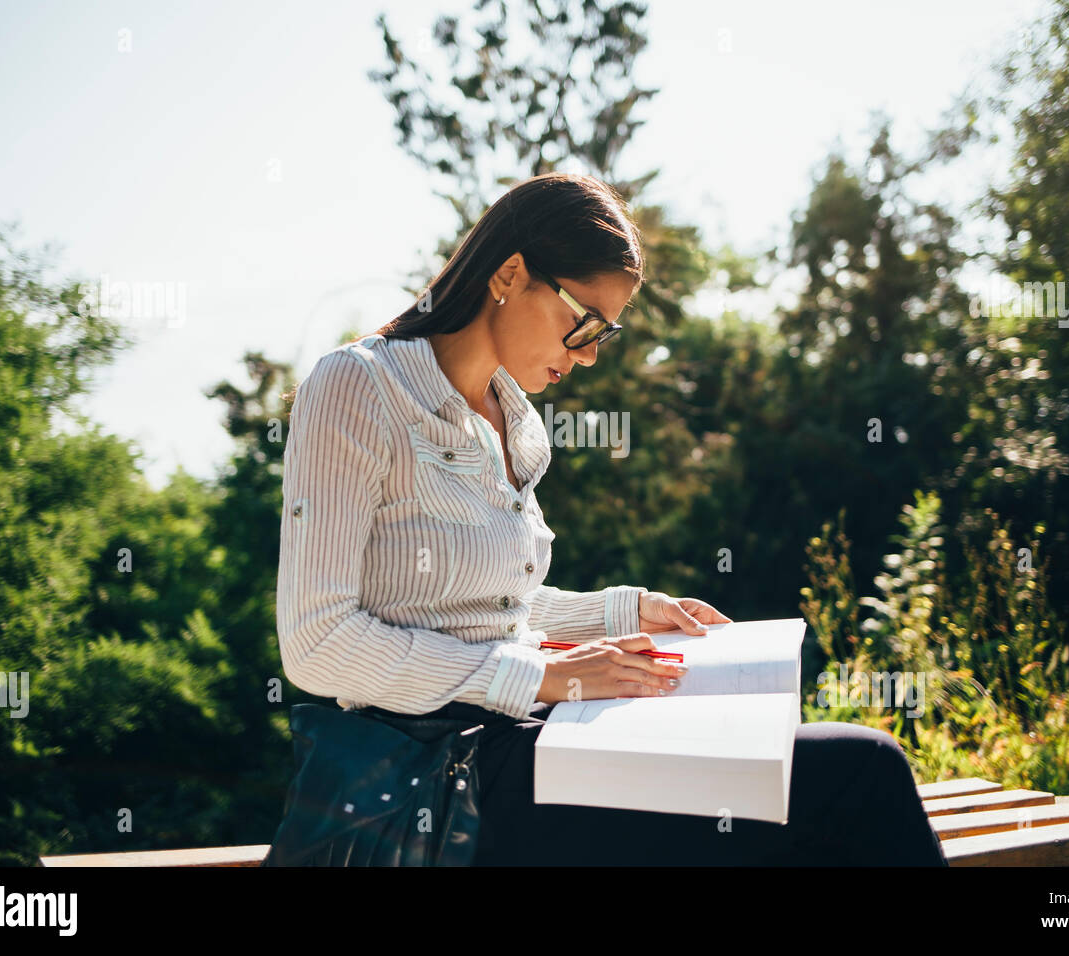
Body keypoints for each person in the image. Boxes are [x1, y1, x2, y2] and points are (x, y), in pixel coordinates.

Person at [275, 171, 948, 866]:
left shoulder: (512, 416)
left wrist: (625, 614)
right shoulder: (359, 385)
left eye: (608, 333)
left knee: (812, 775)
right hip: (440, 780)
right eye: (584, 322)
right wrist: (541, 679)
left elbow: (484, 610)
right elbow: (317, 642)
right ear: (510, 274)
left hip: (524, 740)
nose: (592, 352)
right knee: (861, 773)